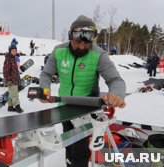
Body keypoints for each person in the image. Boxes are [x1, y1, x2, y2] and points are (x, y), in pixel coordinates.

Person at [39, 15, 126, 167]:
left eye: (86, 43)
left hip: (85, 109)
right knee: (68, 143)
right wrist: (44, 89)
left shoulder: (99, 55)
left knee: (80, 151)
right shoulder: (59, 51)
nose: (81, 47)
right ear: (70, 36)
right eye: (78, 42)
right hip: (64, 107)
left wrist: (117, 94)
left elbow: (115, 80)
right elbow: (46, 74)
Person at [3, 45, 24, 113]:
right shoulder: (8, 59)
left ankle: (10, 107)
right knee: (14, 94)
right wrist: (8, 79)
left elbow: (15, 70)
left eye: (15, 50)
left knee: (11, 94)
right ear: (10, 51)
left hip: (15, 79)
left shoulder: (13, 58)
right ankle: (18, 107)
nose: (14, 52)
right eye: (13, 50)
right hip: (11, 80)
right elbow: (6, 70)